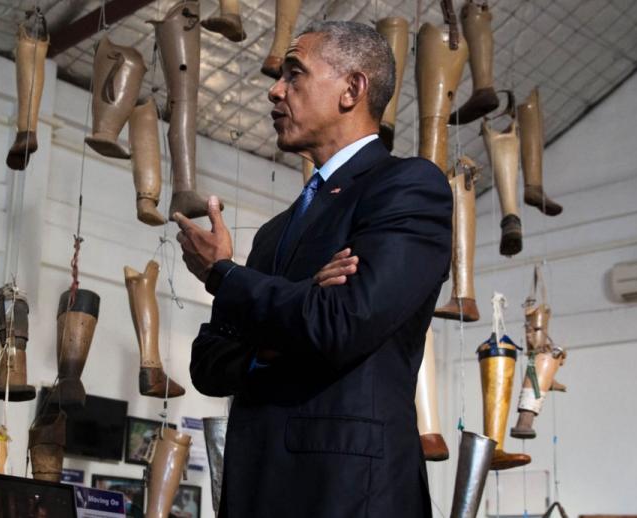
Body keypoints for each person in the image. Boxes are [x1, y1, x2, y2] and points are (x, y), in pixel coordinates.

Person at [173, 21, 453, 517]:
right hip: (253, 490)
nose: (274, 90)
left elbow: (342, 321)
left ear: (353, 89)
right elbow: (208, 362)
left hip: (348, 495)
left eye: (294, 74)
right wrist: (294, 314)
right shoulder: (273, 233)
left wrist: (226, 276)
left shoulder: (408, 187)